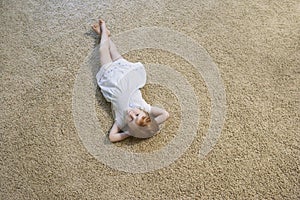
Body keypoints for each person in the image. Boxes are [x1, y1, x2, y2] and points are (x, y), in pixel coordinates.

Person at [92, 19, 169, 142]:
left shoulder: (121, 121)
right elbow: (165, 114)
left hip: (111, 80)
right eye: (137, 114)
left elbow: (112, 137)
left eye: (132, 119)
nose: (132, 113)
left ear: (129, 127)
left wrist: (129, 133)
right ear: (144, 113)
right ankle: (104, 34)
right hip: (127, 75)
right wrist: (151, 124)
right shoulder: (144, 107)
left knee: (103, 50)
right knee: (113, 51)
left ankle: (104, 32)